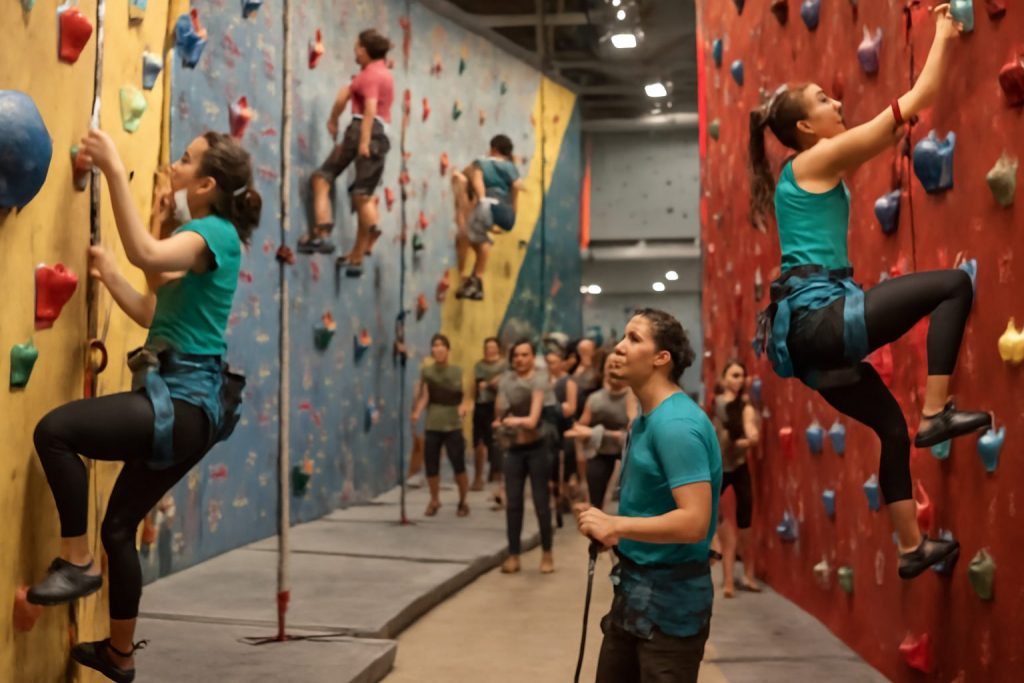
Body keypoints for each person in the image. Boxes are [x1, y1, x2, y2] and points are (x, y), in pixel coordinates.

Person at [749, 5, 985, 579]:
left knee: (888, 429)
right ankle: (936, 410)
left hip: (809, 347)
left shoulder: (796, 172)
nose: (835, 103)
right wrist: (945, 30)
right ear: (805, 128)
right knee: (954, 285)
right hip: (822, 321)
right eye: (823, 102)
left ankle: (911, 548)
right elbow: (921, 95)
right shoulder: (820, 156)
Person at [28, 129, 259, 682]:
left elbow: (147, 256)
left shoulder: (214, 234)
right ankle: (120, 654)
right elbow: (154, 304)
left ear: (205, 184)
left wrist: (111, 167)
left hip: (182, 403)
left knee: (55, 432)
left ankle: (77, 560)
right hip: (190, 410)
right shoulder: (203, 236)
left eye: (185, 160)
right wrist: (112, 275)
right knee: (119, 528)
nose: (173, 165)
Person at [577, 309, 721, 683]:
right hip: (633, 593)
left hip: (670, 608)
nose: (619, 348)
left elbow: (694, 521)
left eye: (634, 339)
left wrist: (615, 523)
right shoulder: (645, 418)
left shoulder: (675, 424)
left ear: (662, 359)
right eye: (623, 337)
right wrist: (616, 533)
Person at [302, 28, 394, 275]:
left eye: (357, 48)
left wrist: (361, 139)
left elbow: (369, 110)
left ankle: (323, 231)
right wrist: (334, 119)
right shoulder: (383, 74)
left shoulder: (369, 76)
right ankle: (356, 257)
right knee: (362, 195)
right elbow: (347, 94)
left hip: (362, 130)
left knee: (323, 178)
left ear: (365, 50)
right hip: (382, 135)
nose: (355, 51)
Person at [495, 339, 555, 574]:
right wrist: (502, 417)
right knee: (513, 504)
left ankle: (547, 553)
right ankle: (513, 555)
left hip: (538, 447)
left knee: (541, 503)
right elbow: (499, 413)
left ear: (532, 357)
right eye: (516, 355)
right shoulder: (506, 380)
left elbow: (532, 420)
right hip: (514, 449)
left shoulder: (540, 378)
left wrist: (512, 420)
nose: (520, 359)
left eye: (525, 354)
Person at [710, 361, 761, 597]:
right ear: (724, 379)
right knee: (720, 523)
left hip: (738, 467)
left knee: (745, 521)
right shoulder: (718, 405)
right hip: (719, 468)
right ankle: (728, 580)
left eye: (742, 376)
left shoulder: (746, 407)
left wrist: (749, 439)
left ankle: (748, 574)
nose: (738, 380)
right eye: (734, 375)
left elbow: (751, 431)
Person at [452, 134, 523, 301]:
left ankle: (470, 277)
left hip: (489, 205)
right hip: (506, 213)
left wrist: (482, 199)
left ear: (493, 148)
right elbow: (517, 186)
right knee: (480, 237)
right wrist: (513, 211)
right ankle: (476, 280)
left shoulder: (482, 163)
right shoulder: (511, 167)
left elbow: (477, 181)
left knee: (471, 235)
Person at [566, 352, 637, 510]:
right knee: (595, 502)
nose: (614, 370)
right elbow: (579, 427)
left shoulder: (635, 397)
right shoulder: (595, 399)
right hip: (601, 452)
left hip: (628, 452)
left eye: (618, 366)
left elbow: (637, 431)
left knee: (629, 500)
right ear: (604, 370)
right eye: (610, 366)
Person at [411, 334, 472, 517]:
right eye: (435, 345)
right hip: (433, 424)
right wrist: (417, 412)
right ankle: (434, 499)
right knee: (431, 465)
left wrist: (463, 408)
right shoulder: (427, 371)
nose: (438, 349)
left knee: (458, 465)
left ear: (448, 349)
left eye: (442, 345)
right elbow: (425, 396)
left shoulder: (458, 371)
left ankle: (463, 501)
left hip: (453, 424)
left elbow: (467, 398)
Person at [472, 337, 506, 493]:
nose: (490, 350)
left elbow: (505, 381)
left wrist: (491, 382)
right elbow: (476, 385)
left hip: (499, 406)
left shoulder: (505, 365)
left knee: (498, 443)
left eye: (493, 347)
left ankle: (499, 481)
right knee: (478, 442)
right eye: (487, 347)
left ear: (498, 348)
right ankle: (478, 477)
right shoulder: (479, 365)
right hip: (481, 405)